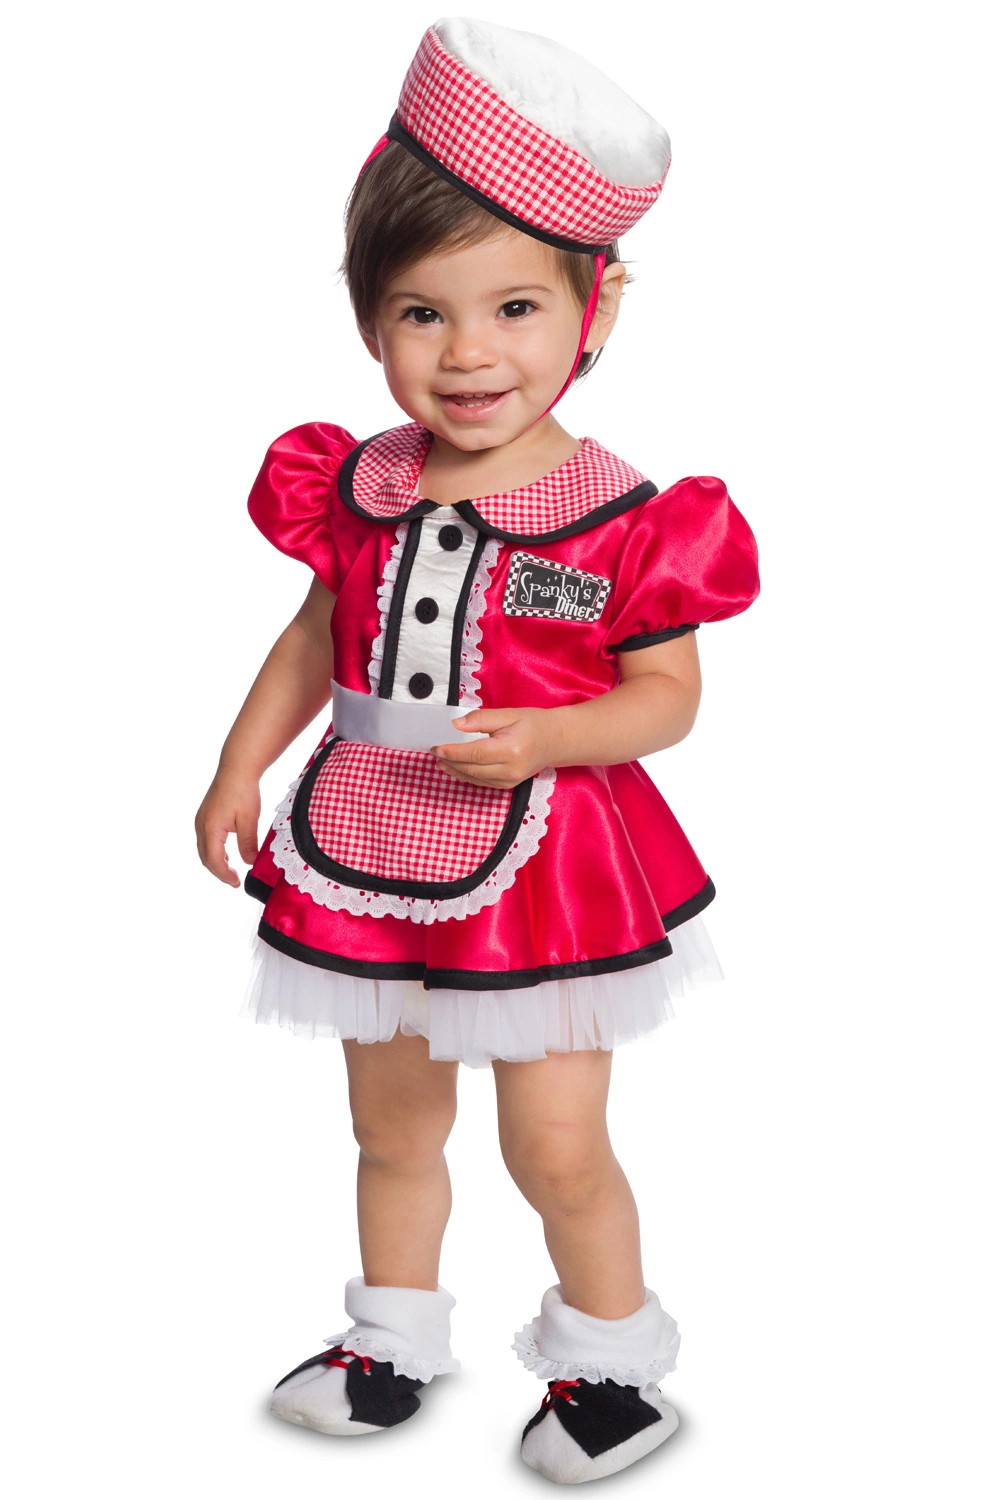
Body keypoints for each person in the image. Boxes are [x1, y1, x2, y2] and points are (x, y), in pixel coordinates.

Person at [195, 17, 759, 1485]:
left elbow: (666, 699)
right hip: (365, 835)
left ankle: (608, 1365)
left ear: (595, 306)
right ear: (368, 321)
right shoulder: (360, 486)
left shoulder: (625, 517)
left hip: (545, 866)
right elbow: (318, 639)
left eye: (513, 306)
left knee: (555, 1146)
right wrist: (239, 766)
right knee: (388, 1127)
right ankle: (389, 1339)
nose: (466, 354)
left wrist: (554, 734)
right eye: (420, 313)